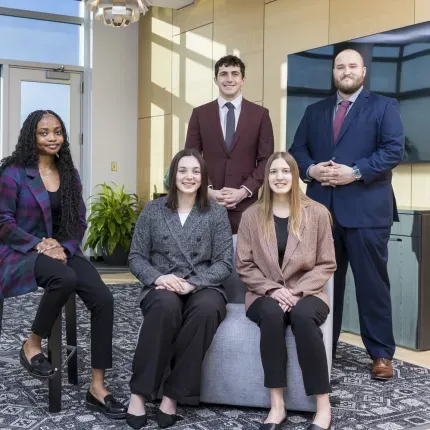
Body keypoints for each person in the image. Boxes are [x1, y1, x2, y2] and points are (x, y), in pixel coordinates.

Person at [0, 110, 127, 418]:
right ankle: (32, 344)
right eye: (44, 132)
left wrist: (63, 246)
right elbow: (3, 222)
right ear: (31, 136)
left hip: (62, 250)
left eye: (57, 132)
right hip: (20, 250)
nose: (52, 137)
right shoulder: (13, 172)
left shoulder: (68, 172)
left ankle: (98, 387)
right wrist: (39, 244)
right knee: (64, 279)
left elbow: (78, 222)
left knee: (104, 299)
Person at [289, 49, 404, 380]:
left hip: (367, 212)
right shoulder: (314, 111)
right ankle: (325, 346)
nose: (346, 71)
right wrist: (311, 169)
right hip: (321, 214)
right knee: (321, 285)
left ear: (363, 72)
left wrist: (354, 172)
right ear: (334, 73)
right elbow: (298, 150)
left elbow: (393, 150)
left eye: (352, 66)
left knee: (372, 286)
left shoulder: (384, 106)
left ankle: (381, 354)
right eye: (340, 66)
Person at [126, 148, 233, 429]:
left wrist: (193, 283)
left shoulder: (216, 213)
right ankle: (139, 393)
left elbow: (224, 263)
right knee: (164, 306)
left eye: (196, 171)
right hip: (163, 285)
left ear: (204, 178)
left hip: (203, 285)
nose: (189, 176)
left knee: (208, 310)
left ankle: (172, 395)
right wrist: (159, 279)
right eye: (183, 170)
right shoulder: (153, 210)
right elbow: (136, 257)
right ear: (173, 175)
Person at [236, 152, 335, 430]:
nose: (279, 177)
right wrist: (271, 290)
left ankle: (323, 407)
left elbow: (327, 264)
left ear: (295, 176)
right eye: (273, 172)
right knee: (270, 314)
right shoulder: (252, 215)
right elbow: (244, 265)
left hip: (309, 293)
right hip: (263, 294)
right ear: (266, 178)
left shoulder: (317, 213)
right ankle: (277, 405)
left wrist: (297, 292)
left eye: (285, 171)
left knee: (303, 318)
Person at [185, 55, 274, 234]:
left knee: (244, 260)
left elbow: (266, 160)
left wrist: (243, 191)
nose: (229, 79)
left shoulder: (260, 115)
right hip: (207, 202)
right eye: (223, 74)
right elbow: (190, 158)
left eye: (235, 73)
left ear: (243, 80)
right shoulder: (200, 114)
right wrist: (208, 190)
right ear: (215, 79)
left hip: (246, 206)